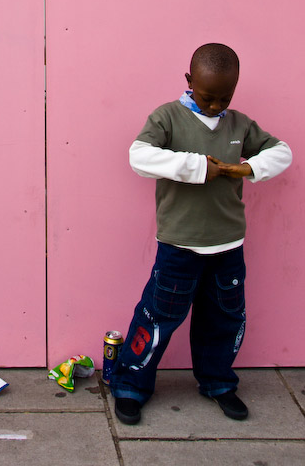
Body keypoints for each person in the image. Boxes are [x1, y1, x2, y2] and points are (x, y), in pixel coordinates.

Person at [110, 43, 292, 426]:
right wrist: (194, 167)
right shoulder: (168, 117)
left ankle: (218, 382)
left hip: (228, 246)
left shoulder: (239, 123)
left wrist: (250, 169)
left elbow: (282, 151)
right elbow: (139, 156)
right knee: (157, 316)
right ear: (189, 81)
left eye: (224, 97)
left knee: (224, 318)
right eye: (208, 97)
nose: (215, 106)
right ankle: (130, 385)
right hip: (179, 245)